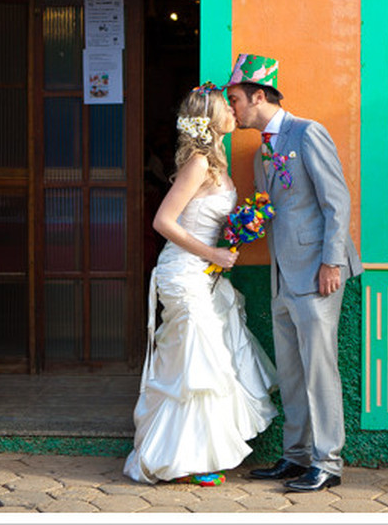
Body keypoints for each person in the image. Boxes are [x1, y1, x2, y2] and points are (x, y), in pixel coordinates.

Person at [123, 83, 278, 486]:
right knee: (194, 368)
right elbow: (163, 222)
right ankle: (180, 460)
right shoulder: (197, 164)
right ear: (209, 120)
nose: (233, 111)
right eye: (226, 107)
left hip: (207, 276)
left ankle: (201, 454)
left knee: (212, 363)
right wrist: (213, 255)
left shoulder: (218, 163)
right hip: (184, 273)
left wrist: (242, 227)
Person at [225, 54, 363, 493]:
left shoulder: (307, 132)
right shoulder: (262, 153)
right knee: (292, 370)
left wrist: (331, 262)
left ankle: (328, 462)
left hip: (318, 272)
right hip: (282, 274)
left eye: (235, 100)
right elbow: (275, 208)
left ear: (259, 96)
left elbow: (336, 202)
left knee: (320, 369)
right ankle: (296, 455)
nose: (232, 109)